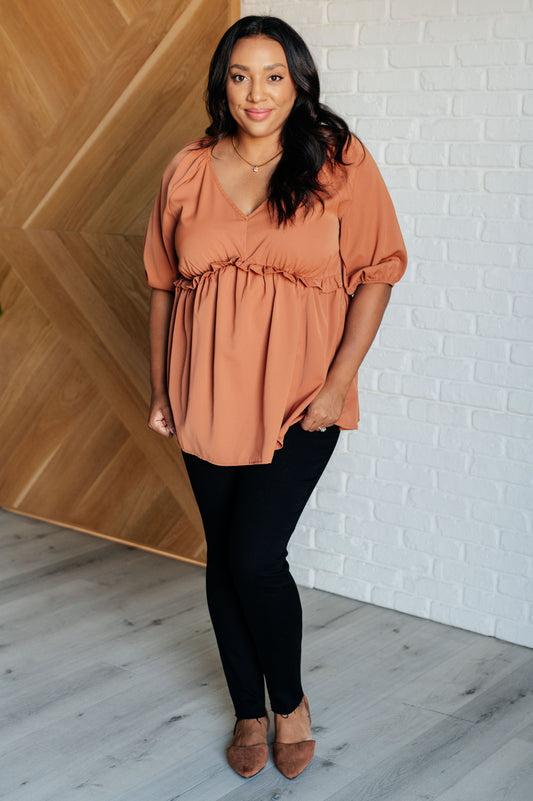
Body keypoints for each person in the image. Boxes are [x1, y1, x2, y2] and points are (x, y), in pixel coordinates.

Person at [143, 15, 407, 780]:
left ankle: (288, 702)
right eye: (239, 75)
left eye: (272, 76)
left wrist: (335, 386)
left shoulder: (336, 160)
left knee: (257, 555)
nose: (255, 93)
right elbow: (162, 286)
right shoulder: (188, 167)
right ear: (220, 84)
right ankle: (246, 711)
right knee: (223, 557)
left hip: (299, 399)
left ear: (297, 82)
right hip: (202, 391)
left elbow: (378, 274)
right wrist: (159, 386)